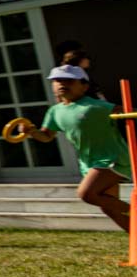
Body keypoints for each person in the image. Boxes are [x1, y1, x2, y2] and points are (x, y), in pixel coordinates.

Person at [19, 64, 130, 232]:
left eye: (69, 81)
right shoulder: (55, 111)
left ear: (84, 86)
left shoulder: (96, 106)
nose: (62, 84)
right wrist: (31, 131)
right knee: (110, 208)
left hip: (112, 159)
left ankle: (134, 211)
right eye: (57, 81)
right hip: (89, 163)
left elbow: (128, 112)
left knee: (86, 194)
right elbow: (47, 136)